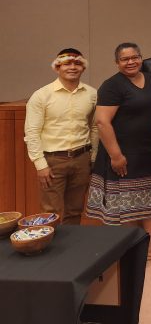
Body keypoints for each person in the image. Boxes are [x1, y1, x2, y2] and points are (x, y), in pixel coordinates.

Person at [85, 43, 151, 259]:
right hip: (122, 154)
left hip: (150, 152)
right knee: (127, 203)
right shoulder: (112, 85)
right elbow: (102, 123)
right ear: (117, 62)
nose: (131, 62)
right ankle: (132, 249)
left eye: (135, 57)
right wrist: (116, 155)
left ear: (141, 58)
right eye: (125, 59)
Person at [24, 48, 98, 225]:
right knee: (51, 211)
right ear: (57, 67)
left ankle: (70, 250)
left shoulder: (92, 94)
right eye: (67, 63)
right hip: (52, 161)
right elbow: (32, 132)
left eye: (77, 63)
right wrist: (40, 164)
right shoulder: (41, 95)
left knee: (75, 210)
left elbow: (95, 127)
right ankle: (50, 250)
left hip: (82, 159)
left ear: (83, 68)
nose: (72, 67)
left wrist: (93, 157)